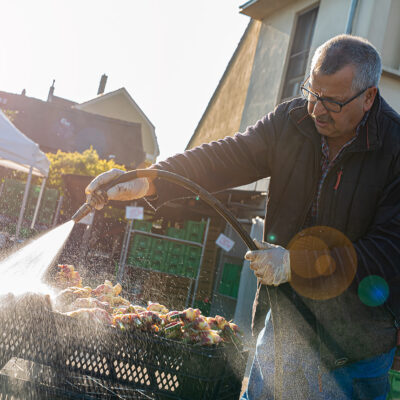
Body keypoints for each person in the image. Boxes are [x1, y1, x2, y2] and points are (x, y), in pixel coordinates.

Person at [85, 34, 400, 399]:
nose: (316, 110)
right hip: (283, 333)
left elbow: (388, 250)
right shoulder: (292, 120)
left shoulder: (394, 149)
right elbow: (226, 157)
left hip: (352, 355)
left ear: (369, 97)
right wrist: (147, 181)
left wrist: (297, 264)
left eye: (332, 101)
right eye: (312, 93)